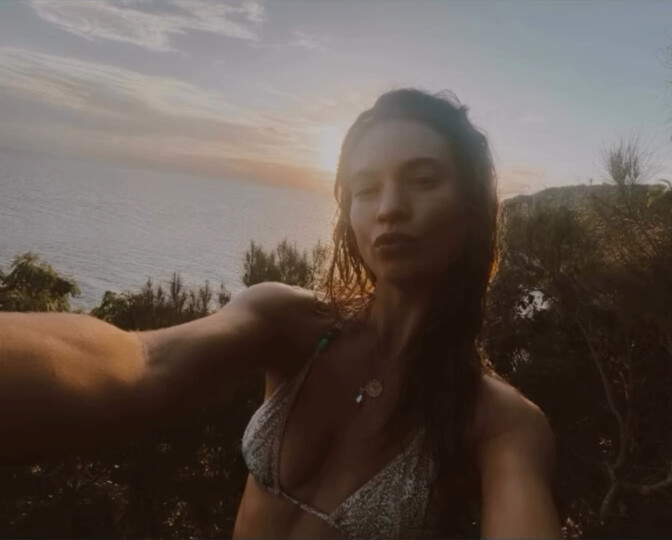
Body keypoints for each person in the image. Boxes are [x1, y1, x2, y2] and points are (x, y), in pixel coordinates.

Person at [0, 88, 562, 539]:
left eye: (423, 180)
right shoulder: (288, 324)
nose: (390, 208)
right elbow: (142, 362)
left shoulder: (499, 422)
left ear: (472, 207)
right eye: (366, 188)